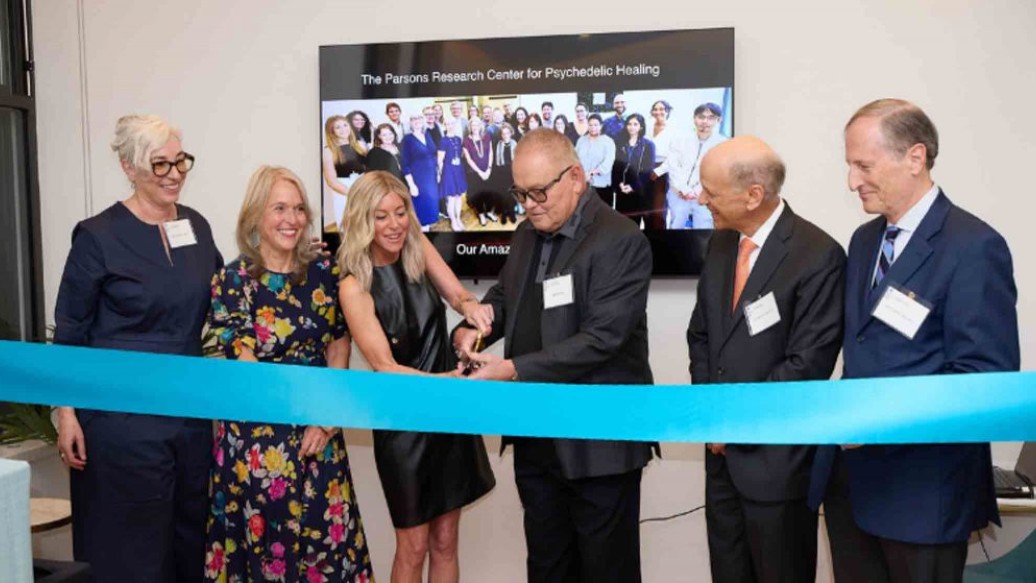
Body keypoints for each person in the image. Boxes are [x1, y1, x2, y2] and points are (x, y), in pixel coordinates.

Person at [808, 99, 1019, 583]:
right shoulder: (864, 242)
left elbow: (984, 380)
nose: (852, 181)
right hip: (853, 489)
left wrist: (877, 423)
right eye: (849, 165)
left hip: (924, 496)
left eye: (863, 165)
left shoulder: (973, 246)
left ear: (915, 157)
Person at [456, 128, 655, 583]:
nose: (529, 204)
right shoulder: (527, 234)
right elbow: (506, 299)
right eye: (520, 193)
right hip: (537, 440)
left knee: (607, 572)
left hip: (599, 446)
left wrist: (511, 369)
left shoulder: (620, 239)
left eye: (539, 192)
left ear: (577, 178)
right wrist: (474, 329)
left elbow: (603, 339)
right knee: (546, 569)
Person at [54, 114, 222, 581]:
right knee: (130, 547)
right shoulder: (97, 236)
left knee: (188, 537)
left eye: (180, 162)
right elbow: (69, 329)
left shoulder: (197, 226)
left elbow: (229, 299)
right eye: (160, 164)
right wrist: (66, 412)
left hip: (187, 413)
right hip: (119, 418)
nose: (174, 175)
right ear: (129, 167)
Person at [204, 165, 374, 582]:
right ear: (256, 215)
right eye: (279, 207)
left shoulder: (324, 271)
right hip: (258, 445)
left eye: (298, 208)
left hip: (321, 441)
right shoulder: (232, 279)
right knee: (264, 562)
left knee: (329, 556)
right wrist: (301, 417)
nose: (292, 218)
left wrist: (328, 419)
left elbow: (339, 342)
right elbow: (241, 359)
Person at [687, 136, 845, 583]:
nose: (701, 199)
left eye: (710, 192)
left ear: (753, 195)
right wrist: (712, 417)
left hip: (777, 467)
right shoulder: (721, 245)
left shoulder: (818, 255)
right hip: (721, 459)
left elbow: (805, 366)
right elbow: (701, 336)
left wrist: (732, 422)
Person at [337, 171, 496, 583]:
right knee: (413, 547)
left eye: (400, 212)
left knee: (446, 541)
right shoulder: (354, 286)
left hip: (448, 416)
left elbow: (457, 295)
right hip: (403, 425)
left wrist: (471, 308)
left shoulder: (416, 246)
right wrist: (449, 384)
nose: (395, 225)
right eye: (381, 216)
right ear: (361, 220)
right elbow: (386, 369)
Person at [657, 102, 727, 229]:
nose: (705, 121)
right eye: (701, 117)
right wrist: (683, 189)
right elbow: (673, 166)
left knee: (704, 229)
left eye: (711, 118)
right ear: (694, 119)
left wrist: (697, 191)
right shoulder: (680, 139)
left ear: (719, 120)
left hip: (705, 196)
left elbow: (718, 173)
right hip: (678, 194)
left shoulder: (723, 144)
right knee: (676, 227)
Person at [322, 114, 367, 230]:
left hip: (363, 186)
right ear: (331, 132)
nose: (343, 129)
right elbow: (331, 181)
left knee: (366, 223)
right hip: (343, 191)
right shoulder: (328, 151)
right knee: (348, 226)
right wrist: (352, 193)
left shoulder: (361, 145)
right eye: (338, 127)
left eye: (345, 125)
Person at [612, 113, 655, 225]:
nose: (632, 127)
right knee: (622, 225)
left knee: (636, 224)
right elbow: (616, 167)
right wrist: (619, 184)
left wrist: (633, 186)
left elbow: (648, 170)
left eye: (635, 124)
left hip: (639, 190)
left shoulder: (648, 145)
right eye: (629, 124)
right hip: (623, 190)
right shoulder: (620, 144)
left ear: (641, 127)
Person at [401, 114, 441, 232]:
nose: (417, 121)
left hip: (431, 177)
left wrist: (438, 172)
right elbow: (405, 164)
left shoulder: (427, 134)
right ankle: (421, 236)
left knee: (431, 206)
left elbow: (433, 154)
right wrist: (411, 184)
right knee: (421, 209)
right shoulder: (407, 139)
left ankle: (426, 231)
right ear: (410, 123)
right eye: (414, 119)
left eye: (419, 119)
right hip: (419, 179)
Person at [575, 113, 616, 207]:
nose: (593, 127)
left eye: (596, 125)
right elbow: (575, 159)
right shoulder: (581, 140)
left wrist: (591, 173)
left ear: (601, 126)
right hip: (583, 185)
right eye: (590, 125)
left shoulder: (608, 142)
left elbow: (608, 163)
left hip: (601, 186)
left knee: (602, 216)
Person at [646, 100, 675, 229]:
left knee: (658, 209)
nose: (658, 112)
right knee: (646, 207)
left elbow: (675, 156)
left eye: (662, 109)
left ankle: (660, 238)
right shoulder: (647, 127)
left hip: (663, 171)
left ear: (667, 111)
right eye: (655, 109)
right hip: (646, 168)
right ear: (652, 112)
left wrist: (658, 171)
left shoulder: (673, 130)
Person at [463, 117, 496, 227]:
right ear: (470, 127)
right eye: (473, 125)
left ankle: (489, 212)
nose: (475, 127)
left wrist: (489, 169)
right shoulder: (466, 141)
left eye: (477, 125)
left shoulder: (486, 137)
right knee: (478, 195)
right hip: (474, 172)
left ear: (480, 126)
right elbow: (469, 159)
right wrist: (480, 172)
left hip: (488, 170)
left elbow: (491, 152)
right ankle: (481, 214)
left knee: (489, 193)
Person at [438, 118, 468, 231]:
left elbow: (460, 154)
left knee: (459, 196)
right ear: (445, 125)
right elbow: (440, 160)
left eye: (452, 123)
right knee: (451, 198)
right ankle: (453, 221)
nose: (450, 125)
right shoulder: (443, 140)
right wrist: (442, 175)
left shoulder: (458, 139)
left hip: (458, 169)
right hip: (448, 171)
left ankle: (458, 218)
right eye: (448, 123)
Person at [492, 122, 519, 225]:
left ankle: (511, 213)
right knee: (503, 194)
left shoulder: (515, 143)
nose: (505, 135)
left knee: (511, 194)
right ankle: (503, 213)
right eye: (503, 133)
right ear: (501, 135)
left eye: (507, 133)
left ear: (511, 133)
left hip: (512, 172)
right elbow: (496, 162)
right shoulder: (498, 145)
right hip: (501, 173)